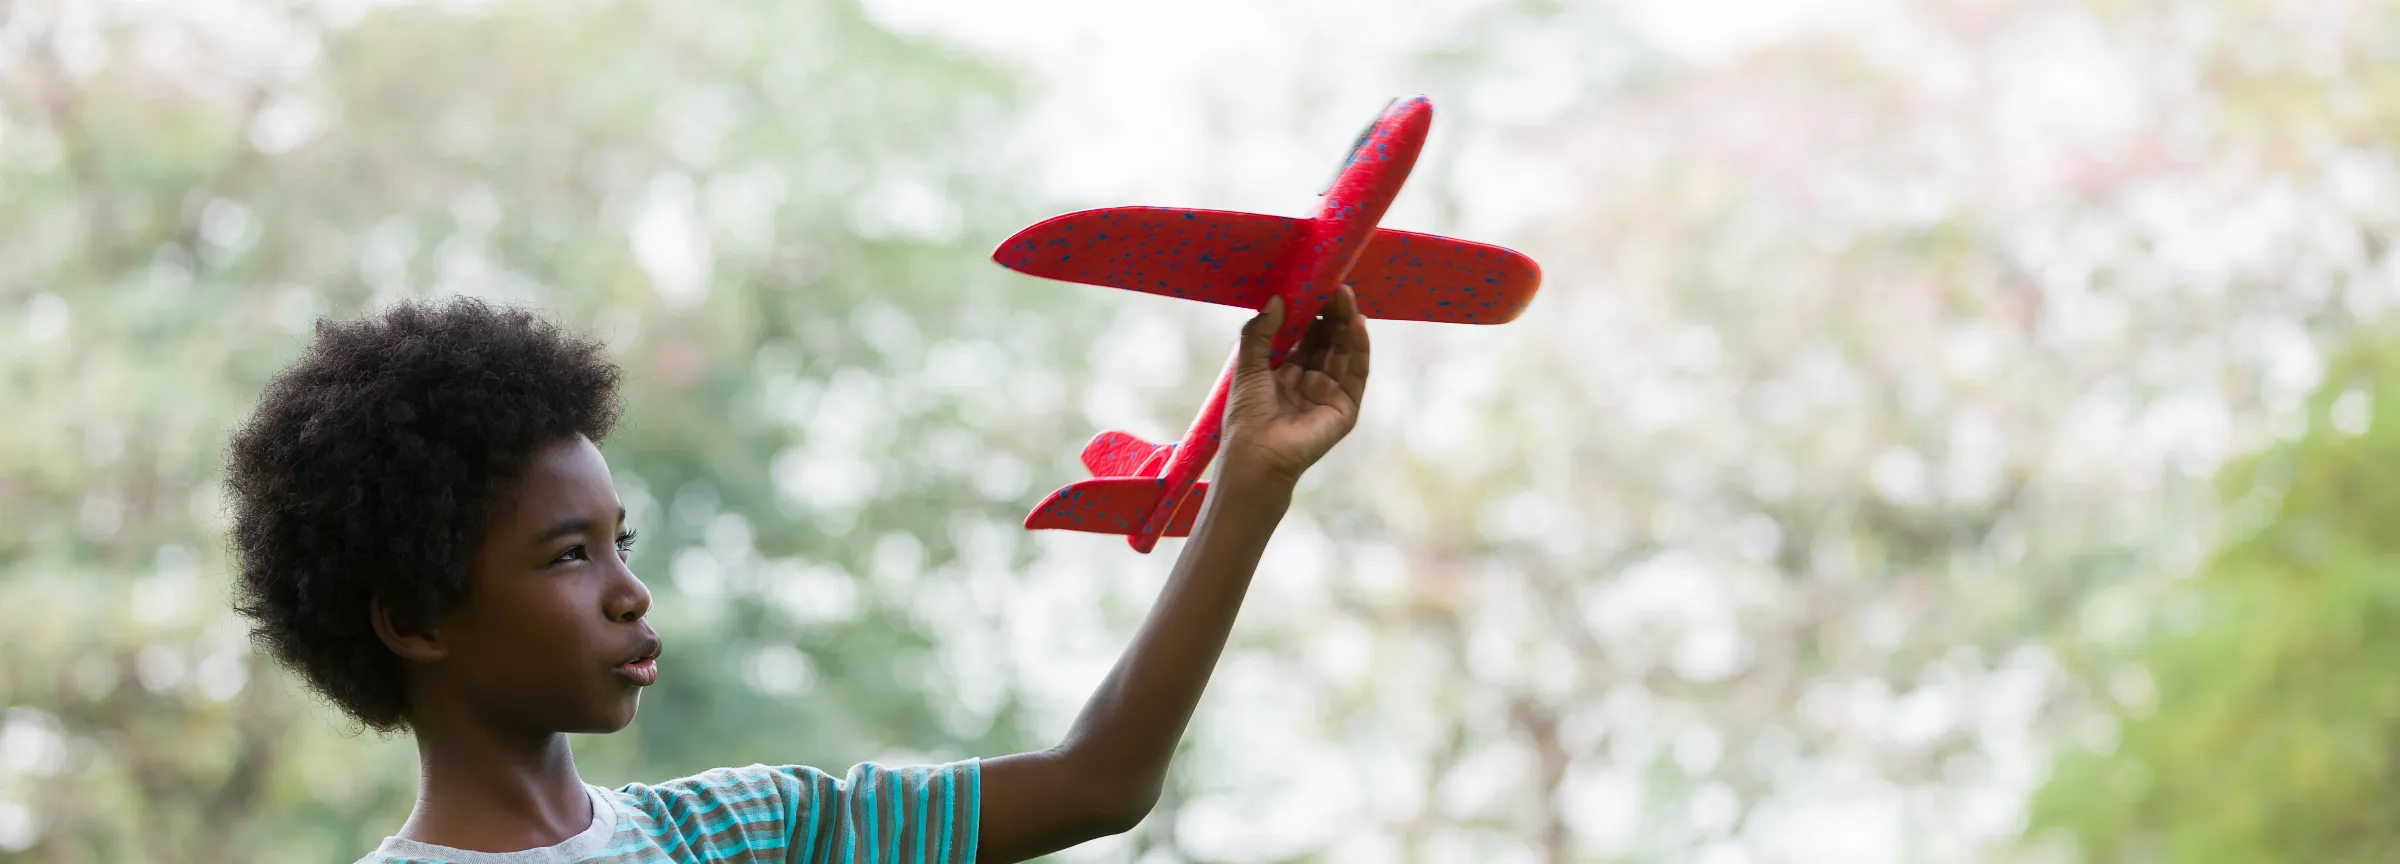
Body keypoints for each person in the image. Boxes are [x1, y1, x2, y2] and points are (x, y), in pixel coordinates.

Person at [224, 286, 1372, 863]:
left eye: (625, 542)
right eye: (570, 557)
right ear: (415, 619)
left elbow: (1098, 782)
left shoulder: (745, 830)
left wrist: (1251, 485)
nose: (630, 591)